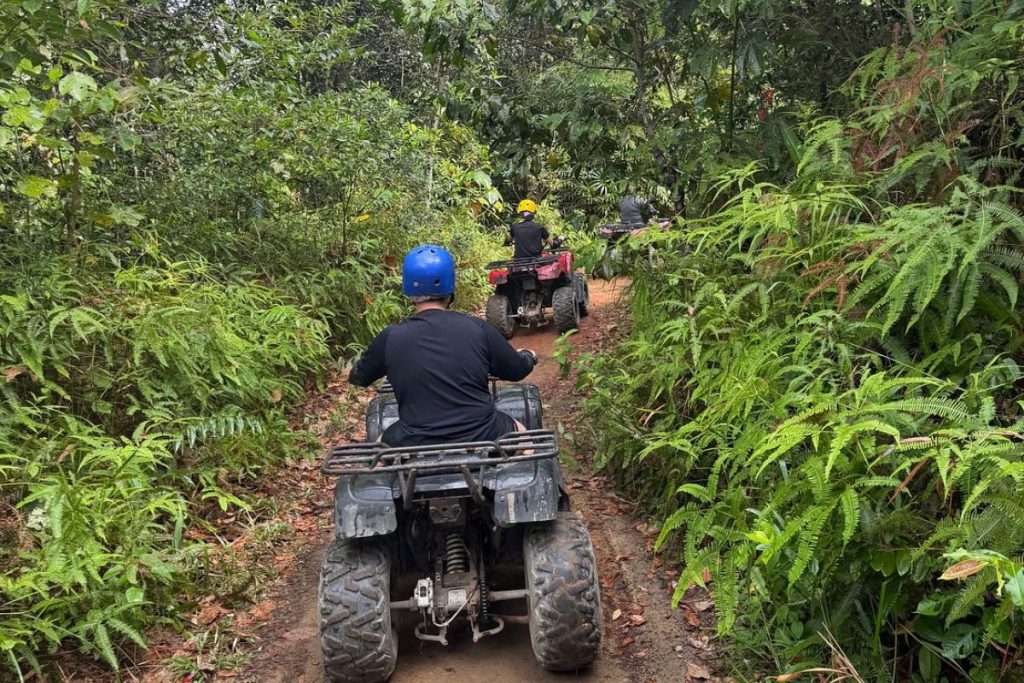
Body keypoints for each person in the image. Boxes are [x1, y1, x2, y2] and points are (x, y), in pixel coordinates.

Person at [348, 244, 538, 447]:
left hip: (412, 439)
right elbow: (517, 370)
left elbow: (359, 377)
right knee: (523, 437)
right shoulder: (476, 328)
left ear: (409, 291)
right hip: (483, 432)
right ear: (450, 287)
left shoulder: (390, 337)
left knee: (379, 451)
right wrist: (527, 356)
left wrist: (355, 369)